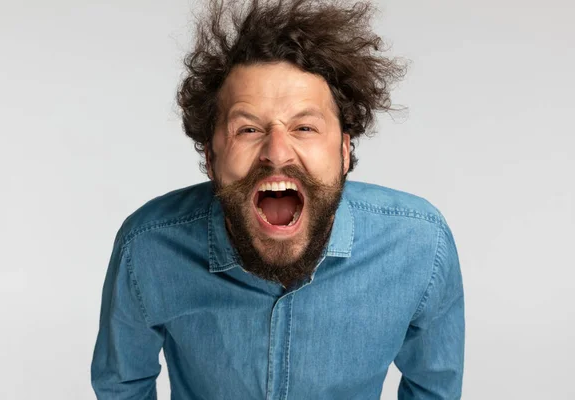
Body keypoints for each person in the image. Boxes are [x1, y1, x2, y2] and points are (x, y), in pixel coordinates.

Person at [90, 0, 465, 398]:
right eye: (248, 129)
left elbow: (434, 389)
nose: (277, 152)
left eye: (304, 126)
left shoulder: (422, 247)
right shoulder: (147, 249)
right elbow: (123, 386)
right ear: (210, 156)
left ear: (343, 150)